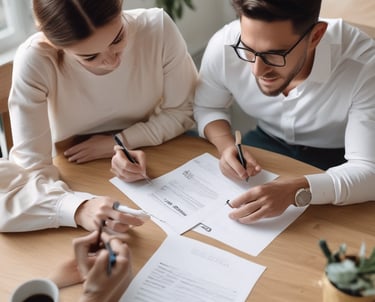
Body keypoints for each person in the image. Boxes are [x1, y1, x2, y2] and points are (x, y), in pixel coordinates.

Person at [0, 0, 197, 232]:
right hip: (75, 165)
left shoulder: (157, 28)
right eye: (90, 57)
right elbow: (32, 168)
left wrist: (120, 141)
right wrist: (78, 208)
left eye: (118, 39)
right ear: (54, 44)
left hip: (161, 150)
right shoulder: (35, 60)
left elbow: (183, 111)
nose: (112, 60)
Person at [193, 0, 375, 224]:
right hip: (265, 142)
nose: (257, 70)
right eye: (248, 50)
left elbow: (369, 170)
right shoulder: (225, 44)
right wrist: (225, 145)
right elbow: (209, 106)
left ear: (316, 36)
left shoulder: (364, 64)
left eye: (275, 54)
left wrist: (295, 191)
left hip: (339, 158)